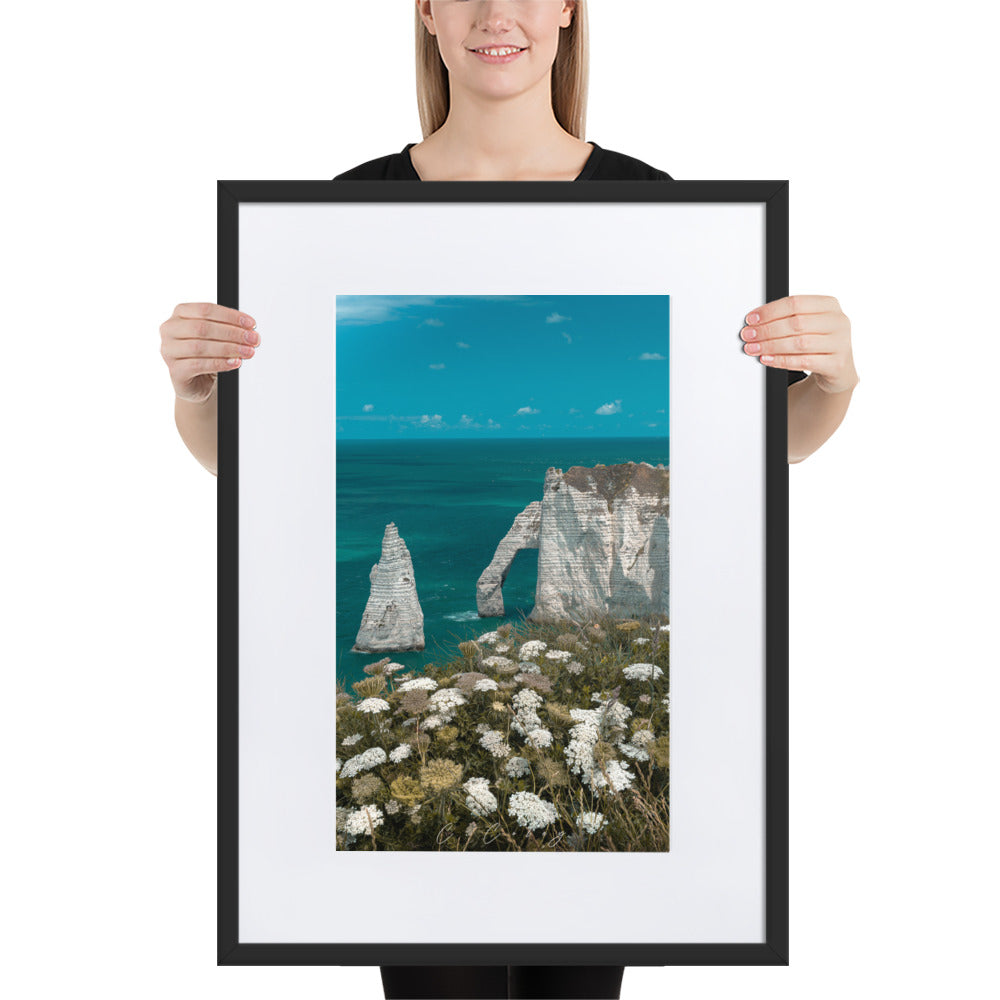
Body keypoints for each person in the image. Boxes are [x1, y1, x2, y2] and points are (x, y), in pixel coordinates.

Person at [159, 3, 858, 997]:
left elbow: (746, 462)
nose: (498, 14)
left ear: (569, 9)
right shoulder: (343, 212)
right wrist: (195, 393)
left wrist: (831, 382)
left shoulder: (656, 208)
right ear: (427, 12)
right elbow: (259, 472)